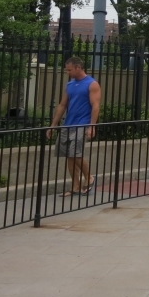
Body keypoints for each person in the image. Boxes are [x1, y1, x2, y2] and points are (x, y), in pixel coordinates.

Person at [46, 57, 101, 198]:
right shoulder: (70, 85)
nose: (67, 72)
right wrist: (52, 125)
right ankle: (75, 186)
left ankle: (89, 178)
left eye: (70, 70)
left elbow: (95, 106)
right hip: (68, 124)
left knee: (75, 154)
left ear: (79, 67)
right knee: (68, 156)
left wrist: (91, 126)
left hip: (82, 124)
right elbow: (62, 105)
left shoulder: (92, 84)